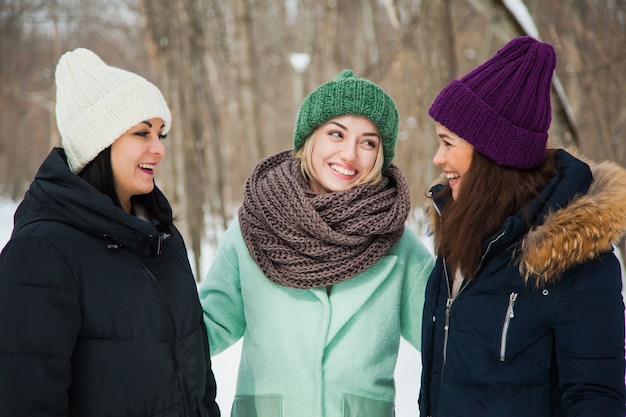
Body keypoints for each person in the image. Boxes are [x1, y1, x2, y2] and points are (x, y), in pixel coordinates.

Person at [198, 69, 434, 417]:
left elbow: (446, 340)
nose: (349, 155)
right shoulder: (256, 225)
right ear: (309, 138)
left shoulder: (398, 244)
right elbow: (205, 329)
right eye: (336, 134)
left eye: (368, 142)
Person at [0, 48, 220, 417]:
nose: (159, 148)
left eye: (161, 133)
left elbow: (199, 380)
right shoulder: (41, 252)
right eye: (142, 133)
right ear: (98, 144)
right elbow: (23, 398)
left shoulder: (162, 240)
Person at [419, 36, 626, 417]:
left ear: (490, 156)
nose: (437, 158)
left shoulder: (574, 261)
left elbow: (597, 399)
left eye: (448, 143)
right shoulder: (459, 237)